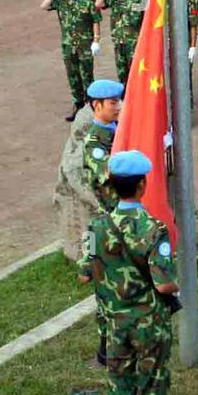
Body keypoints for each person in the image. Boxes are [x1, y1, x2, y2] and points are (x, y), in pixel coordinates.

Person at [77, 149, 179, 395]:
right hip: (149, 326)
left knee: (121, 393)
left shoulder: (96, 226)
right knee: (150, 394)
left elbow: (83, 271)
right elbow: (165, 284)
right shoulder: (153, 230)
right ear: (142, 185)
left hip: (114, 326)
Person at [83, 78, 124, 365]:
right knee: (107, 289)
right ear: (96, 106)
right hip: (108, 223)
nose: (118, 106)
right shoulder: (95, 142)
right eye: (112, 103)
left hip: (124, 220)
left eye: (119, 101)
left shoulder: (118, 131)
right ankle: (105, 350)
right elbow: (109, 175)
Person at [42, 0, 100, 121]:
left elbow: (95, 20)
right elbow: (44, 5)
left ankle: (91, 105)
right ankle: (78, 104)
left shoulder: (88, 1)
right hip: (68, 45)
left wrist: (96, 40)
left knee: (87, 75)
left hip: (85, 44)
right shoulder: (62, 2)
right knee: (72, 75)